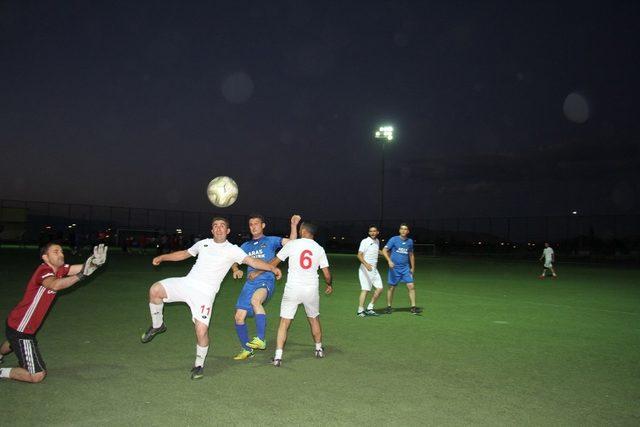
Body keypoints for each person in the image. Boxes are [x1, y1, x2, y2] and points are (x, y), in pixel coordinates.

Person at [140, 217, 282, 380]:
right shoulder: (203, 244)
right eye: (215, 226)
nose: (219, 228)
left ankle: (199, 365)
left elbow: (253, 261)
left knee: (201, 331)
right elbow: (184, 254)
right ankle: (158, 325)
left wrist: (271, 267)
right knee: (155, 290)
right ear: (212, 230)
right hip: (187, 283)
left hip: (205, 295)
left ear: (228, 231)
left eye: (222, 226)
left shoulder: (233, 250)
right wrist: (163, 257)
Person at [0, 243, 108, 383]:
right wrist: (81, 275)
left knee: (12, 341)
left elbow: (82, 267)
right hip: (22, 328)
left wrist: (95, 263)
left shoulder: (60, 269)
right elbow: (55, 284)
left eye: (61, 251)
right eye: (55, 252)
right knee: (37, 375)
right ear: (45, 257)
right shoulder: (43, 271)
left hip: (15, 321)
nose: (61, 254)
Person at [230, 214, 300, 360]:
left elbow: (292, 244)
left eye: (256, 223)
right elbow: (233, 259)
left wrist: (293, 226)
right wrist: (236, 269)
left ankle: (261, 339)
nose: (253, 226)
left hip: (266, 279)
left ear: (263, 226)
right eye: (251, 224)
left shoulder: (271, 240)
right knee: (238, 317)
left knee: (256, 301)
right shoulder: (245, 246)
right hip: (249, 283)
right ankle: (247, 349)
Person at [269, 221, 332, 367]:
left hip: (293, 288)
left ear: (303, 230)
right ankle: (318, 349)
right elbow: (327, 274)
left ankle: (278, 357)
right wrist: (329, 284)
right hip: (311, 289)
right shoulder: (319, 248)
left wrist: (263, 269)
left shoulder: (292, 244)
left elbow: (275, 262)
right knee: (314, 319)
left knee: (284, 322)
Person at [381, 223, 420, 315]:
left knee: (411, 286)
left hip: (405, 268)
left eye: (405, 229)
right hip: (394, 268)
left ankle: (413, 307)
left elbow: (411, 255)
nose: (403, 230)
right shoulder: (393, 239)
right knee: (391, 288)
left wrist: (412, 268)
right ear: (399, 230)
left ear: (408, 231)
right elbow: (384, 250)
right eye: (402, 229)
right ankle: (389, 306)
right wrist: (389, 261)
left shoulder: (410, 241)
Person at [356, 225, 383, 317]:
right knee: (366, 289)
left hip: (374, 269)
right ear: (369, 232)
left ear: (377, 232)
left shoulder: (377, 241)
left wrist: (384, 253)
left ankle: (370, 308)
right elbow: (359, 255)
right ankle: (360, 310)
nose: (373, 233)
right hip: (365, 268)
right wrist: (366, 264)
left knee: (380, 288)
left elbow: (376, 250)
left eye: (374, 231)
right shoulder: (365, 241)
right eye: (371, 231)